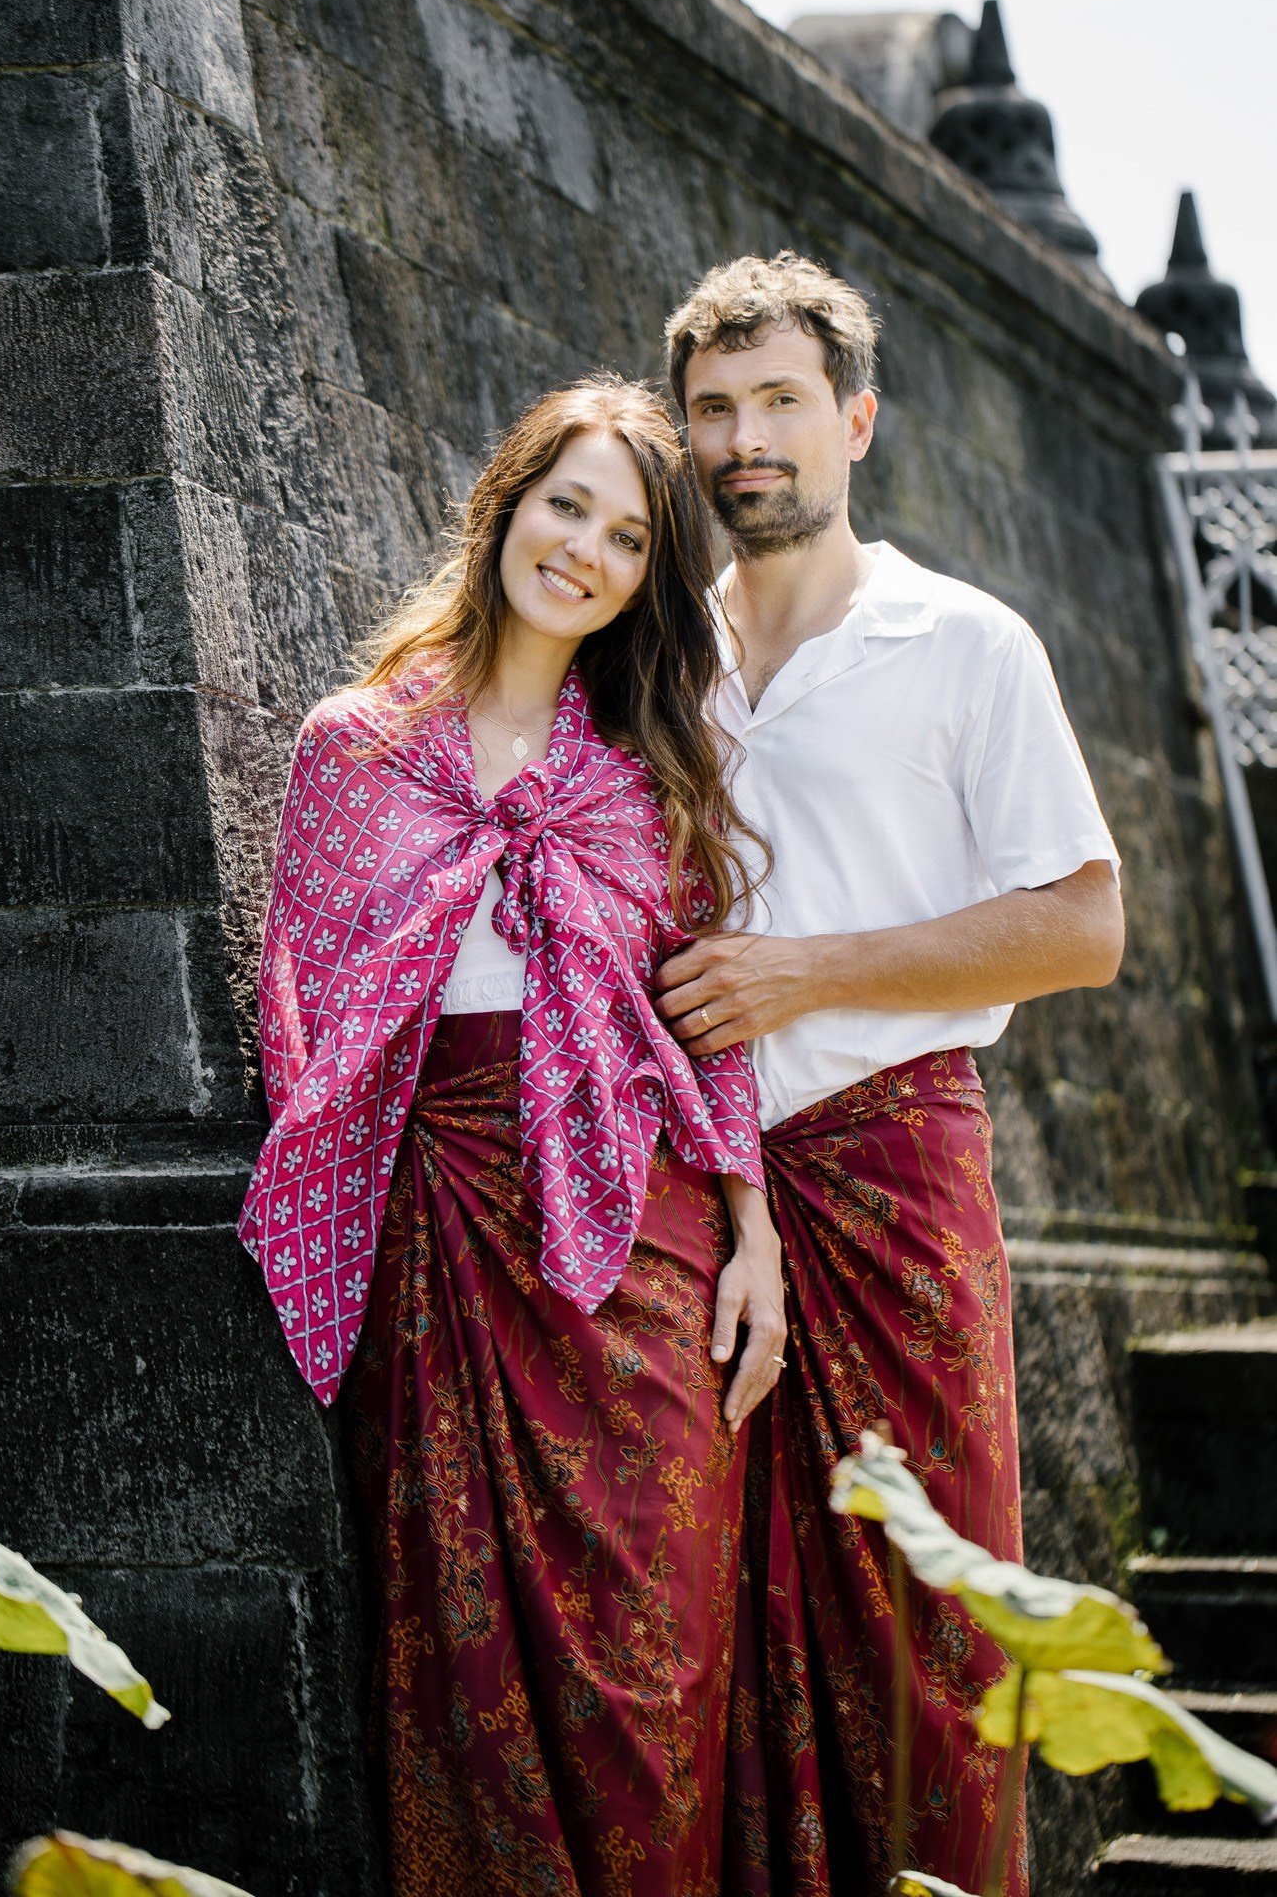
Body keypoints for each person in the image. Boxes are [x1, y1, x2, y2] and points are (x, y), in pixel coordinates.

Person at [240, 374, 789, 1897]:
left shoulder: (648, 778)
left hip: (644, 1249)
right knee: (459, 1661)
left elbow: (708, 1028)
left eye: (627, 538)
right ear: (504, 508)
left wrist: (752, 1237)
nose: (585, 553)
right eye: (567, 507)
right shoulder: (352, 750)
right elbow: (306, 1030)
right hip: (438, 1243)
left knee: (657, 1662)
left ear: (645, 581)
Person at [653, 254, 1125, 1897]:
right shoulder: (648, 653)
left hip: (891, 1177)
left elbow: (1081, 925)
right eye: (713, 409)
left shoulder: (964, 642)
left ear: (854, 420)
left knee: (928, 1625)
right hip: (687, 1194)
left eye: (779, 401)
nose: (744, 439)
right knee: (703, 1626)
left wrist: (807, 971)